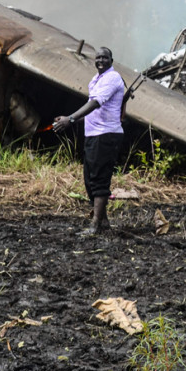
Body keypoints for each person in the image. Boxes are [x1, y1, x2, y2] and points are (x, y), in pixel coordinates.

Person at [53, 47, 124, 236]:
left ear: (112, 60)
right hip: (93, 134)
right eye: (98, 57)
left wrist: (71, 119)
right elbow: (95, 110)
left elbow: (95, 103)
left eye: (105, 57)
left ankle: (95, 225)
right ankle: (104, 222)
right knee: (89, 179)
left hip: (106, 134)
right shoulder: (96, 79)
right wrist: (69, 119)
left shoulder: (112, 78)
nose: (101, 60)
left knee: (99, 179)